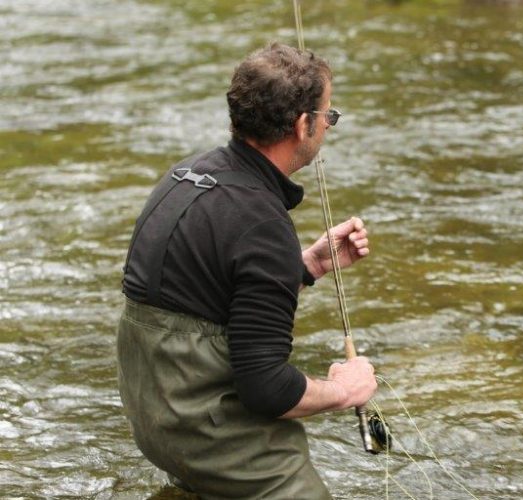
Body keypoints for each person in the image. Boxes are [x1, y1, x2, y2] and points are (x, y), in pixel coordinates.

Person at [116, 43, 376, 499]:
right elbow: (267, 390)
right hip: (210, 435)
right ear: (302, 126)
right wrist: (342, 389)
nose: (327, 126)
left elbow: (201, 294)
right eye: (328, 116)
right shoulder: (261, 224)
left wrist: (305, 266)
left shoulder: (186, 176)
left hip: (156, 422)